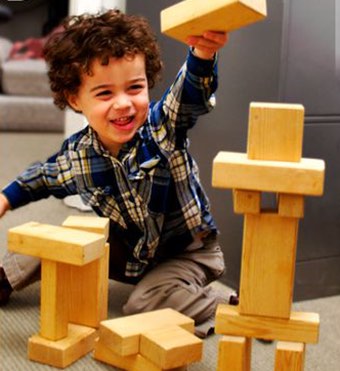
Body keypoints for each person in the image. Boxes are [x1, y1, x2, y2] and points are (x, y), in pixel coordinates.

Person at [0, 9, 234, 337]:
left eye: (134, 88)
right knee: (52, 240)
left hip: (186, 252)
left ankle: (225, 305)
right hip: (128, 250)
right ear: (75, 99)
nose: (123, 104)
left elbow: (188, 97)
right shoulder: (78, 154)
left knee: (142, 305)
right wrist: (6, 198)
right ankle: (3, 278)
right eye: (105, 93)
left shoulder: (161, 127)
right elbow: (41, 177)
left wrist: (203, 53)